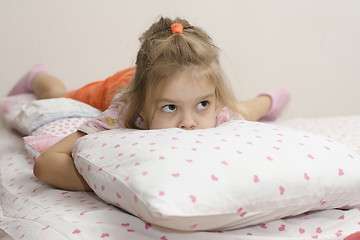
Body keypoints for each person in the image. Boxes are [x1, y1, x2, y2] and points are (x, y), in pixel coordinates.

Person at [7, 17, 291, 191]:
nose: (189, 123)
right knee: (57, 95)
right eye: (170, 108)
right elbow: (46, 164)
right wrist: (109, 186)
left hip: (189, 91)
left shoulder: (217, 111)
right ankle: (38, 77)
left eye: (202, 104)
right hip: (117, 85)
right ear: (143, 108)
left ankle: (269, 98)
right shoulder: (124, 113)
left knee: (244, 110)